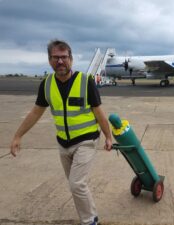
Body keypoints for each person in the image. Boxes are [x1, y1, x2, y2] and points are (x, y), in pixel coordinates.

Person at [10, 39, 112, 225]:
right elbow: (35, 112)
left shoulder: (85, 82)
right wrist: (18, 135)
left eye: (64, 57)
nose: (60, 62)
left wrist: (108, 136)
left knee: (76, 184)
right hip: (63, 143)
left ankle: (90, 221)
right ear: (49, 60)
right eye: (55, 57)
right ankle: (89, 217)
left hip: (86, 141)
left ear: (71, 59)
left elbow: (99, 112)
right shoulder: (47, 85)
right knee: (75, 185)